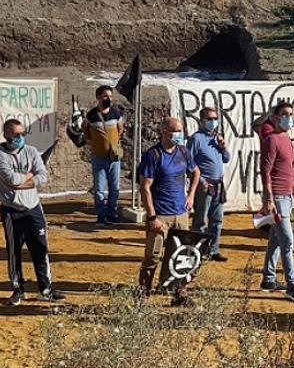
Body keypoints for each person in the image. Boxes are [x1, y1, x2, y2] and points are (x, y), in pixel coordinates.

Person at [0, 118, 65, 305]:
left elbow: (43, 176)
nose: (20, 137)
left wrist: (24, 181)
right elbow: (12, 180)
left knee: (40, 249)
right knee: (14, 251)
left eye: (23, 133)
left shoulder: (31, 151)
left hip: (33, 208)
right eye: (16, 134)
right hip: (12, 211)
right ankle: (18, 289)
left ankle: (45, 289)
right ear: (6, 134)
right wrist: (30, 175)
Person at [137, 117, 200, 304]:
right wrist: (152, 217)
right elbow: (145, 187)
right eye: (175, 131)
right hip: (161, 214)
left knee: (181, 255)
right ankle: (143, 293)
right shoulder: (153, 155)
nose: (179, 135)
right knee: (153, 256)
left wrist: (191, 195)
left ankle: (178, 292)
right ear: (164, 132)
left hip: (180, 213)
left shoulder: (184, 152)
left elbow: (196, 172)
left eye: (180, 131)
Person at [259, 101, 294, 303]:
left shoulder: (287, 140)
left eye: (291, 114)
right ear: (276, 117)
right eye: (285, 114)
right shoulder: (271, 140)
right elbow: (265, 171)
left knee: (276, 239)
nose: (289, 118)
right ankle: (292, 285)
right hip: (277, 198)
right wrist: (268, 198)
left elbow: (291, 172)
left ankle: (269, 279)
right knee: (287, 240)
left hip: (286, 197)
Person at [187, 107, 231, 263]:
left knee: (217, 219)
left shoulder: (217, 139)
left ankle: (214, 250)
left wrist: (223, 147)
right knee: (200, 220)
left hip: (218, 184)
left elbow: (226, 159)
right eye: (209, 119)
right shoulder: (196, 139)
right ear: (202, 120)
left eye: (215, 119)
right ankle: (197, 251)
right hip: (204, 185)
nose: (213, 122)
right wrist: (201, 181)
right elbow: (188, 163)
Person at [85, 85, 124, 226]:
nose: (108, 99)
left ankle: (112, 214)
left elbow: (120, 130)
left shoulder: (116, 113)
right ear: (98, 97)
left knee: (114, 188)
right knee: (99, 189)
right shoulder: (91, 115)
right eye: (105, 96)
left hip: (114, 158)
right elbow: (86, 131)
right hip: (99, 158)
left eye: (110, 96)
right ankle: (101, 216)